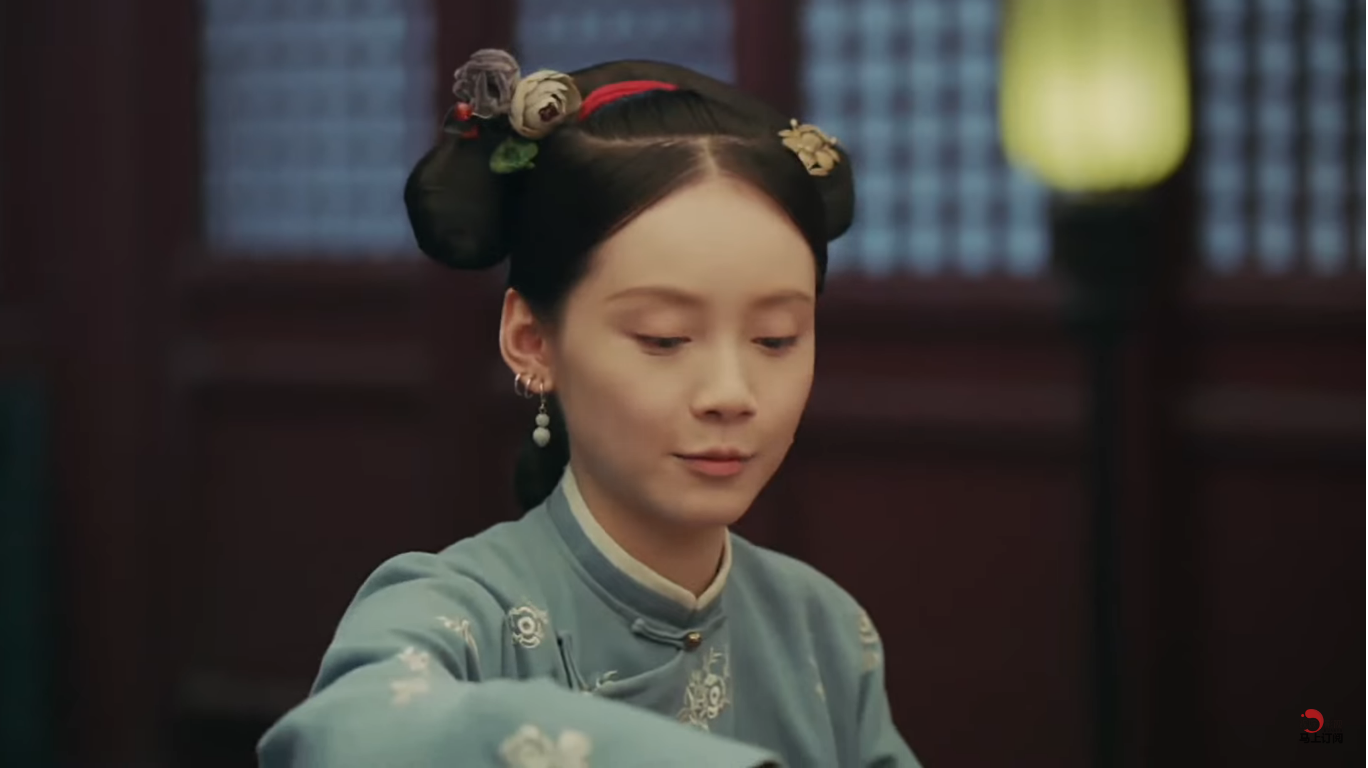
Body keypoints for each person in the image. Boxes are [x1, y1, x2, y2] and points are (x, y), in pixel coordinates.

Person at [257, 49, 922, 768]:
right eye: (664, 338)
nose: (731, 393)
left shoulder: (825, 632)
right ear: (532, 340)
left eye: (775, 338)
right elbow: (350, 736)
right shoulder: (452, 615)